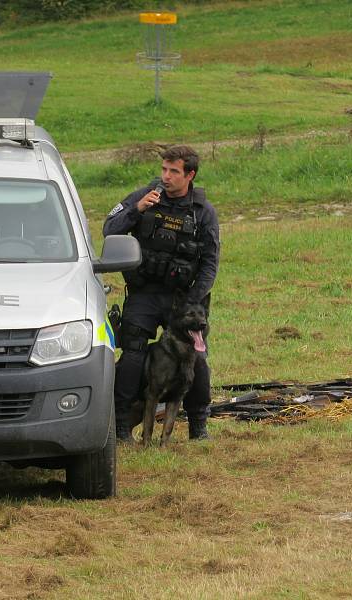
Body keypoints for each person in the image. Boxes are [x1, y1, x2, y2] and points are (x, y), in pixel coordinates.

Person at [103, 145, 220, 442]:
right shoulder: (145, 196)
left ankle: (198, 425)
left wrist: (193, 301)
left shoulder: (203, 212)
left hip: (180, 299)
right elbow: (109, 229)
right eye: (164, 170)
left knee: (196, 357)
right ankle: (119, 426)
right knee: (132, 354)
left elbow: (210, 262)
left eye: (174, 171)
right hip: (143, 293)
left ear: (189, 175)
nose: (165, 177)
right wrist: (136, 209)